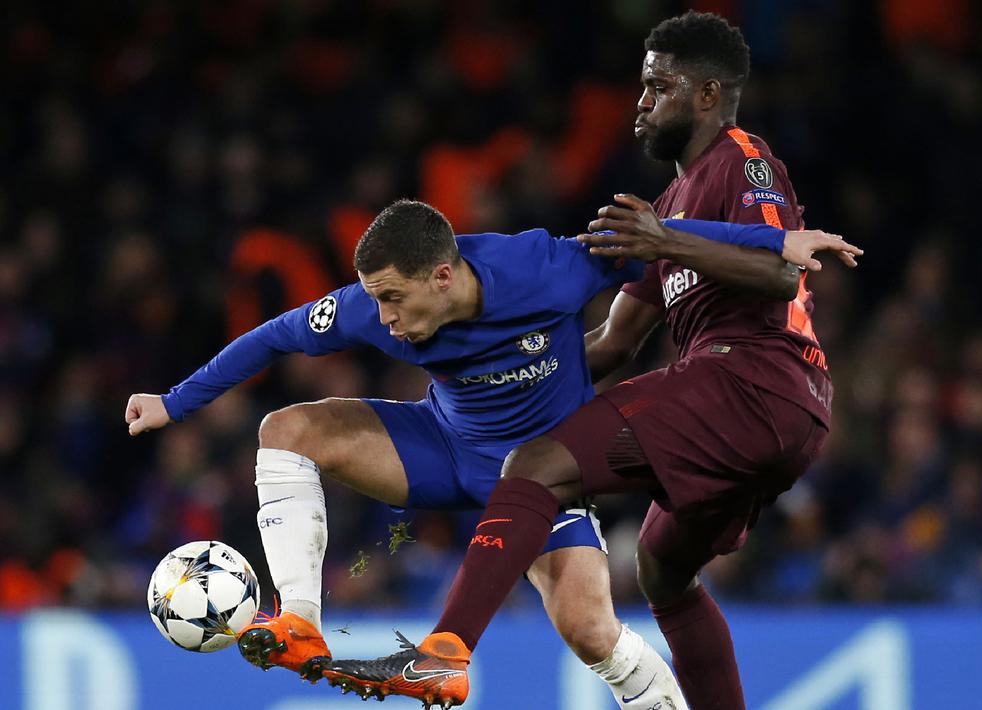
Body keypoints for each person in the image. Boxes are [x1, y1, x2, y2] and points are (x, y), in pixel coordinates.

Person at [125, 197, 854, 708]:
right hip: (443, 449)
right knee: (287, 429)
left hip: (545, 476)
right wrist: (173, 402)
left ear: (442, 277)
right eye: (374, 300)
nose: (382, 319)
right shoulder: (371, 310)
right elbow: (273, 336)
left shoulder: (545, 270)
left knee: (592, 631)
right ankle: (300, 619)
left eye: (393, 300)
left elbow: (657, 236)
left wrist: (776, 242)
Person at [321, 13, 854, 710]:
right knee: (661, 571)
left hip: (755, 376)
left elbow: (780, 272)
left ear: (705, 93)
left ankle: (440, 657)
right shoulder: (663, 207)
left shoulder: (741, 158)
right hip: (758, 410)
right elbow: (610, 344)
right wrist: (506, 379)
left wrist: (666, 240)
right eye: (640, 86)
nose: (640, 102)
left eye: (658, 86)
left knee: (538, 468)